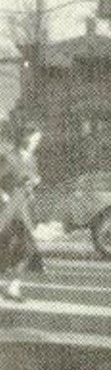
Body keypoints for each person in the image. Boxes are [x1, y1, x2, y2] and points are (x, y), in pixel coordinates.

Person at [0, 122, 45, 302]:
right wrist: (3, 195)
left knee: (27, 248)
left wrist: (33, 184)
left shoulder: (32, 159)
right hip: (6, 208)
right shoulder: (9, 157)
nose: (36, 143)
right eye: (35, 139)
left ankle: (13, 287)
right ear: (25, 137)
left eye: (38, 141)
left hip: (23, 207)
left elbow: (31, 178)